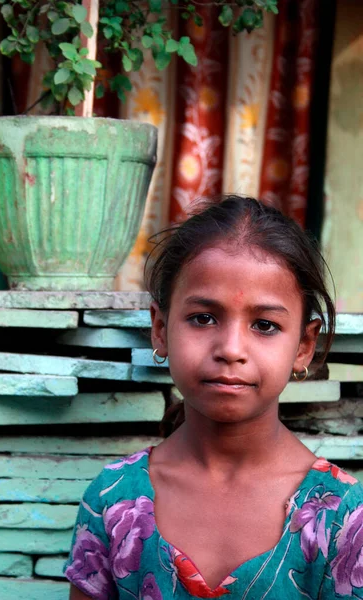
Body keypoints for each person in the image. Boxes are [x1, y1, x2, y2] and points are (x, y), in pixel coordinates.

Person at [65, 196, 363, 600]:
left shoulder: (344, 518)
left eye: (264, 325)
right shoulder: (113, 500)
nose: (231, 348)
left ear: (303, 346)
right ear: (160, 328)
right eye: (203, 318)